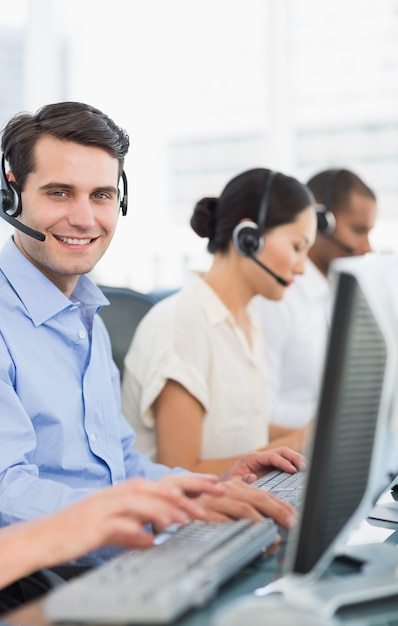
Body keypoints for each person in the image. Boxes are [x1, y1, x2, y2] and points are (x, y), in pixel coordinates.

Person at [0, 103, 304, 558]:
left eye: (100, 195)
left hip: (123, 561)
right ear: (12, 195)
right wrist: (141, 506)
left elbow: (123, 466)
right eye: (59, 193)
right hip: (39, 583)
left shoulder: (84, 313)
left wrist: (208, 489)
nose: (83, 218)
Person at [122, 168, 317, 475]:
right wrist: (294, 443)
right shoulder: (182, 324)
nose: (303, 268)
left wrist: (310, 435)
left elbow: (243, 427)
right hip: (185, 520)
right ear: (248, 237)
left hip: (237, 506)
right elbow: (181, 470)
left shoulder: (248, 318)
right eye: (297, 247)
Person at [251, 168, 377, 429]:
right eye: (358, 230)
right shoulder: (276, 296)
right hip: (287, 451)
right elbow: (258, 412)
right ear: (321, 222)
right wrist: (338, 420)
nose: (367, 248)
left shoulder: (338, 292)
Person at [0, 474, 225, 599]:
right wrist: (72, 523)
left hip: (117, 559)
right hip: (48, 574)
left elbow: (125, 461)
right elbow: (0, 491)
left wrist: (205, 486)